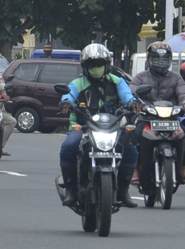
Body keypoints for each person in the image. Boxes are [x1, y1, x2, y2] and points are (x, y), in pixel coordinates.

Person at [59, 43, 140, 207]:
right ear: (85, 67)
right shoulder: (78, 83)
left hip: (114, 127)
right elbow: (69, 94)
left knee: (131, 148)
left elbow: (127, 95)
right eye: (92, 65)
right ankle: (71, 191)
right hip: (83, 128)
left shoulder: (118, 82)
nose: (96, 68)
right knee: (68, 147)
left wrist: (133, 103)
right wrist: (65, 102)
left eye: (99, 65)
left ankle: (123, 191)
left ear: (107, 65)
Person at [129, 42, 185, 185]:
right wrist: (138, 104)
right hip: (146, 118)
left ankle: (182, 170)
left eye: (164, 60)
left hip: (171, 120)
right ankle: (136, 170)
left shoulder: (176, 77)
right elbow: (132, 93)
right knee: (134, 136)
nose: (161, 64)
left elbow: (183, 94)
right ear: (149, 61)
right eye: (157, 60)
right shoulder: (140, 77)